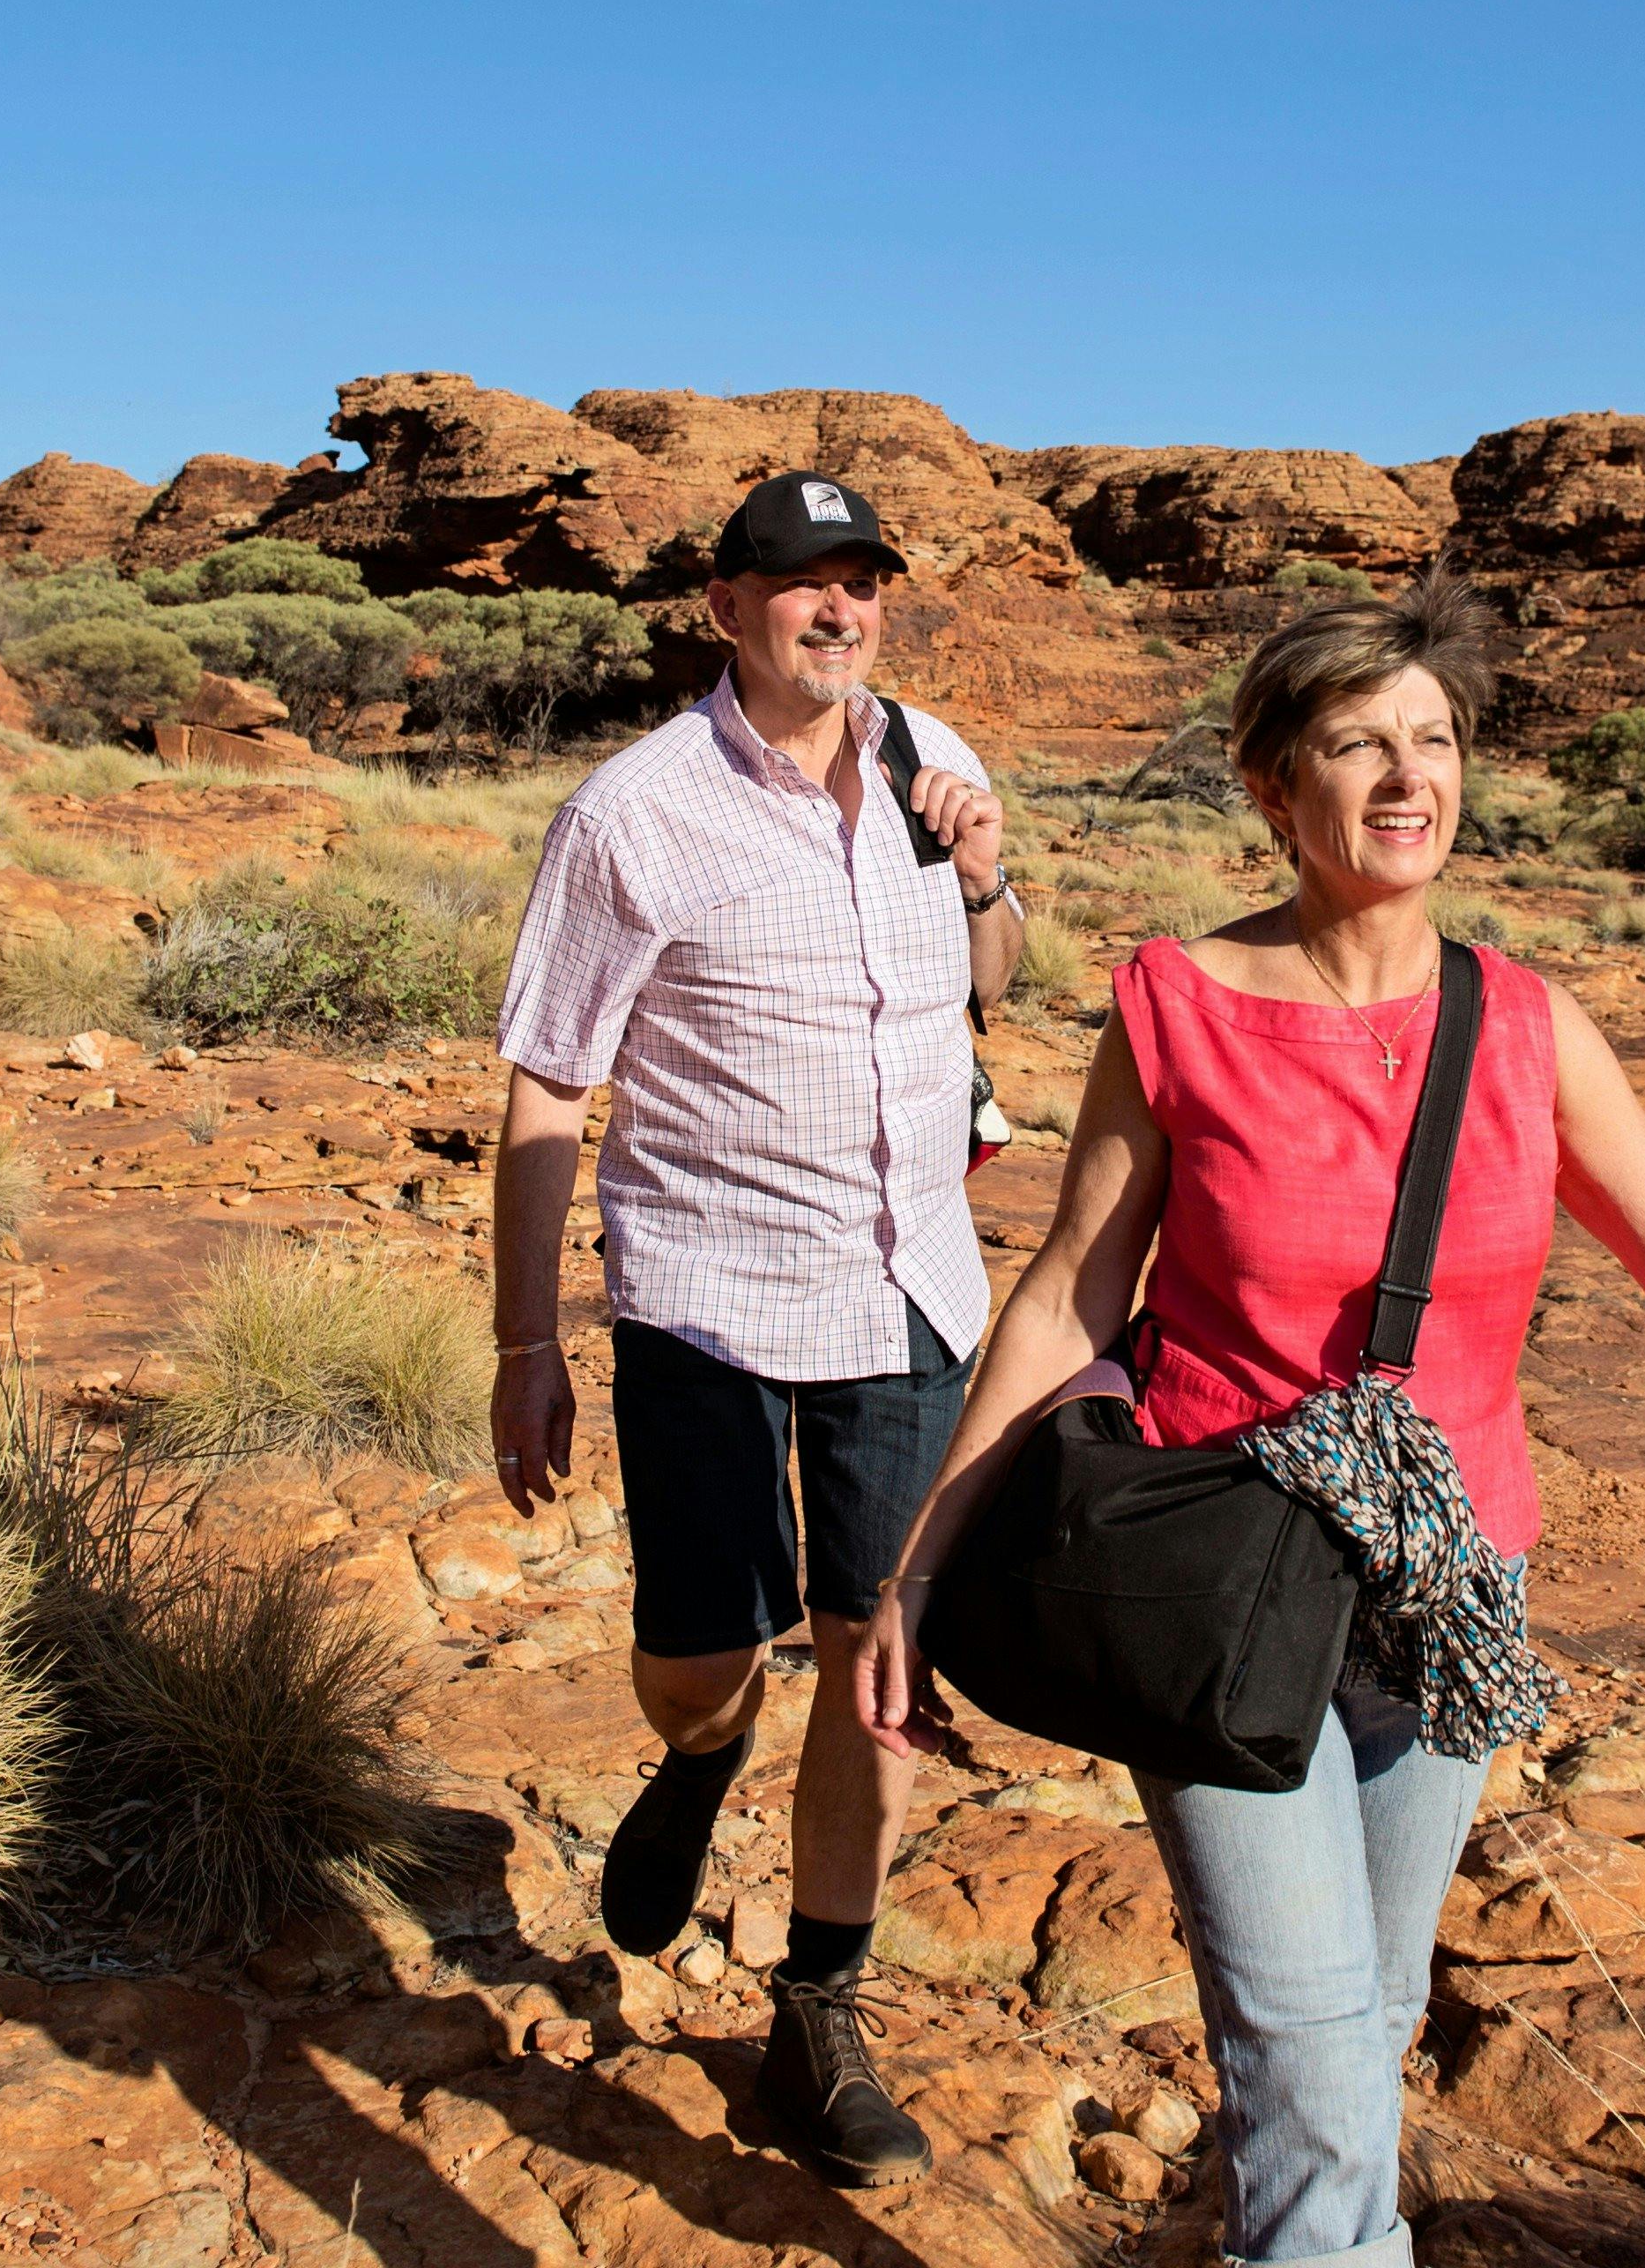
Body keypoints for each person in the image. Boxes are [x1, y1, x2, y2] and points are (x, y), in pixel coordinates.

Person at [856, 572, 1645, 2268]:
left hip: (1447, 1594)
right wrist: (921, 1566)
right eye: (1359, 744)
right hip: (1218, 1581)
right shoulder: (1176, 1006)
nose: (1408, 778)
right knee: (1316, 2061)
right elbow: (1066, 1294)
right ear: (1277, 787)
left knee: (1369, 2015)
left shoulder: (1525, 1026)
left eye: (1434, 741)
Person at [488, 466, 1030, 2189]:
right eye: (797, 581)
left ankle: (817, 2006)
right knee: (705, 1657)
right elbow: (546, 1086)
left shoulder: (927, 757)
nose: (836, 606)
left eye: (859, 578)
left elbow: (995, 978)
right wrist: (525, 1343)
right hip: (708, 1308)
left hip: (912, 1290)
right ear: (723, 604)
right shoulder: (631, 814)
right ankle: (699, 1751)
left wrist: (985, 874)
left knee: (880, 1669)